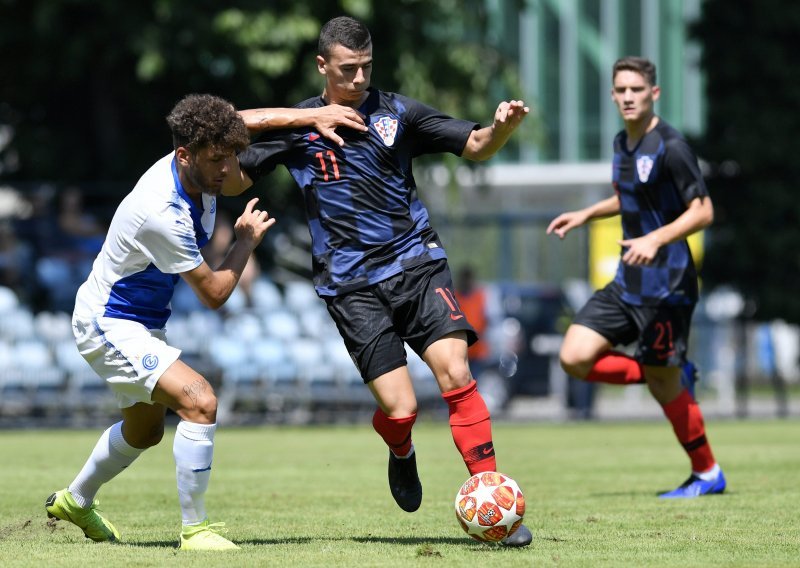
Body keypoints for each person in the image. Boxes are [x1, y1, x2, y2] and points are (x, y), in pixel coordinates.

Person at [229, 16, 533, 546]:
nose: (359, 79)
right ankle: (400, 450)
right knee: (401, 409)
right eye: (348, 69)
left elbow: (478, 143)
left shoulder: (399, 112)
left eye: (367, 67)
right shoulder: (297, 123)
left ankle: (490, 497)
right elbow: (232, 176)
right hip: (350, 285)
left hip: (416, 262)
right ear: (323, 66)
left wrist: (503, 125)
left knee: (456, 373)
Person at [44, 93, 363, 550]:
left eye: (232, 156)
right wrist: (245, 242)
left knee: (144, 432)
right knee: (200, 401)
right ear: (185, 155)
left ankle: (76, 500)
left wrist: (313, 115)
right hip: (107, 323)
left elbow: (248, 121)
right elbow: (214, 294)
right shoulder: (162, 212)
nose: (227, 169)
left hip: (139, 323)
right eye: (217, 160)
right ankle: (195, 530)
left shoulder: (199, 160)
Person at [546, 56, 725, 498]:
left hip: (668, 287)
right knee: (574, 356)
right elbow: (626, 197)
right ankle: (665, 373)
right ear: (612, 95)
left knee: (666, 386)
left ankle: (708, 473)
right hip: (629, 283)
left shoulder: (672, 145)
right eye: (621, 90)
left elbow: (703, 210)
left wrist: (656, 240)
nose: (628, 97)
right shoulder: (621, 143)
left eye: (636, 90)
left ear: (654, 94)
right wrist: (587, 213)